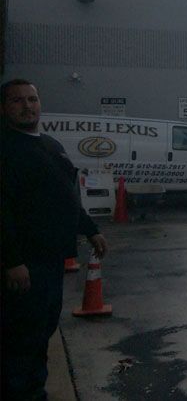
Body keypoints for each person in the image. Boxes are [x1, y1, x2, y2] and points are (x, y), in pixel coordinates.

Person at [1, 78, 109, 400]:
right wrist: (12, 260)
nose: (27, 106)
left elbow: (66, 197)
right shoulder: (6, 149)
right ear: (4, 108)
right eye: (17, 101)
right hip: (24, 265)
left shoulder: (50, 145)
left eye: (32, 99)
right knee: (21, 339)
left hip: (51, 262)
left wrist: (91, 229)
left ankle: (34, 389)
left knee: (41, 333)